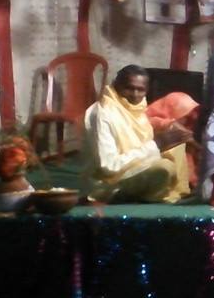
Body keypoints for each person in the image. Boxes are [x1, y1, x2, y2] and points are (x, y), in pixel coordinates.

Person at [82, 65, 194, 203]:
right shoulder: (102, 113)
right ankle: (144, 198)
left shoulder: (137, 110)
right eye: (129, 88)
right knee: (164, 167)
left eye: (140, 90)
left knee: (176, 146)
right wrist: (156, 145)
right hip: (109, 182)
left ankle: (179, 193)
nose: (135, 95)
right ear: (116, 86)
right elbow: (109, 166)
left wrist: (165, 143)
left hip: (133, 168)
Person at [146, 92, 201, 188]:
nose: (194, 118)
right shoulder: (153, 123)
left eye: (194, 114)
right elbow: (182, 134)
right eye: (188, 116)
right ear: (171, 112)